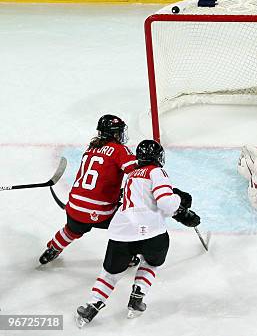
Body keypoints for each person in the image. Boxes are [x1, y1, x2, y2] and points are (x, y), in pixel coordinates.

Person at [76, 140, 201, 327]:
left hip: (123, 232)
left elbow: (143, 202)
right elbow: (165, 204)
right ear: (159, 158)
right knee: (151, 263)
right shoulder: (156, 171)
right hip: (152, 233)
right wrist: (180, 203)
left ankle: (92, 305)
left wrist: (179, 209)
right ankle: (136, 298)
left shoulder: (131, 176)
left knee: (110, 274)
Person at [39, 115, 138, 265]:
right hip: (101, 212)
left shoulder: (92, 148)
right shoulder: (120, 150)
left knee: (71, 231)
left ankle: (53, 248)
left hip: (74, 208)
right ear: (115, 134)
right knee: (128, 224)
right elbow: (136, 174)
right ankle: (126, 258)